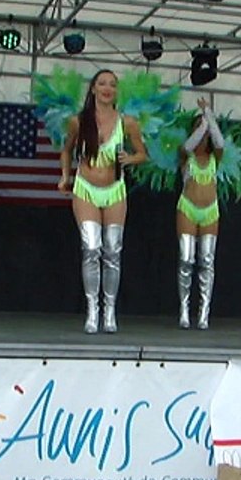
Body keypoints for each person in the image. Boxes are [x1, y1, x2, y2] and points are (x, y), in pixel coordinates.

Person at [58, 69, 148, 334]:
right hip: (86, 188)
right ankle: (92, 310)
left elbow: (142, 153)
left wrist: (130, 159)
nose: (107, 88)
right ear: (93, 89)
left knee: (112, 251)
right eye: (102, 83)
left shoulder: (127, 123)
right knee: (91, 247)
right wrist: (65, 177)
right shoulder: (78, 121)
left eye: (112, 84)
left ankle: (109, 310)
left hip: (115, 191)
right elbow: (66, 150)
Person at [177, 97, 225, 329]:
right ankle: (185, 310)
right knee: (187, 260)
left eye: (204, 129)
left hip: (210, 211)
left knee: (207, 261)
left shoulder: (216, 157)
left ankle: (203, 313)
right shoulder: (186, 155)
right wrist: (204, 121)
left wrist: (208, 114)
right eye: (198, 128)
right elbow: (189, 145)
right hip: (188, 208)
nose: (203, 133)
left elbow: (220, 140)